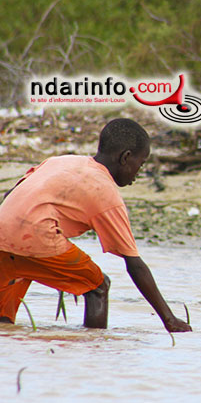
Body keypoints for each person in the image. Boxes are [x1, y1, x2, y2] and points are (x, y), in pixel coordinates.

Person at [0, 118, 191, 332]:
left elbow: (11, 194)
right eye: (141, 163)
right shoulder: (106, 193)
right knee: (98, 286)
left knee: (4, 322)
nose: (140, 171)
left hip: (2, 233)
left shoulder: (61, 161)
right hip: (36, 237)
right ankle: (95, 348)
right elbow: (135, 265)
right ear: (126, 157)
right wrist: (169, 319)